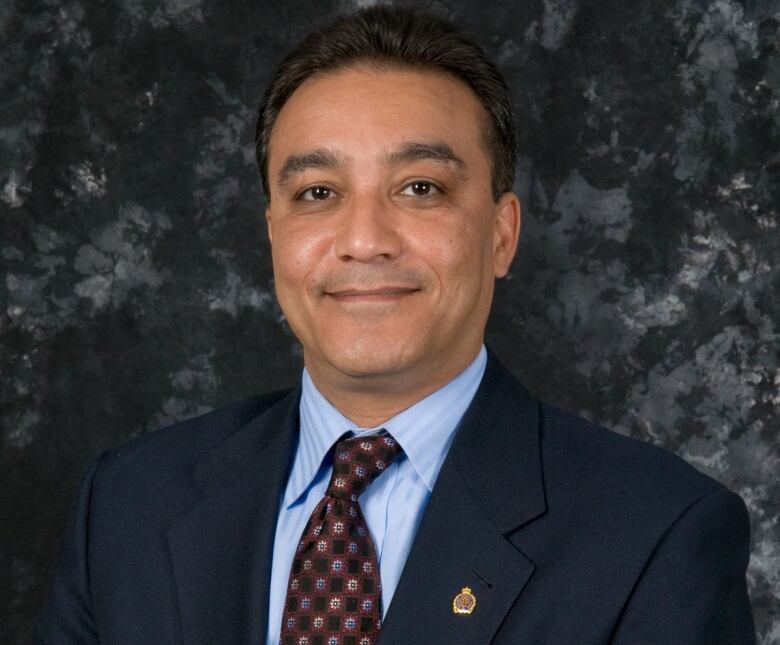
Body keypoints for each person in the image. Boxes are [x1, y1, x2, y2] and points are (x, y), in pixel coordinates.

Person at [36, 5, 755, 644]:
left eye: (420, 188)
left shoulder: (657, 532)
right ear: (273, 234)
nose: (365, 239)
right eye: (318, 192)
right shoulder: (126, 506)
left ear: (502, 233)